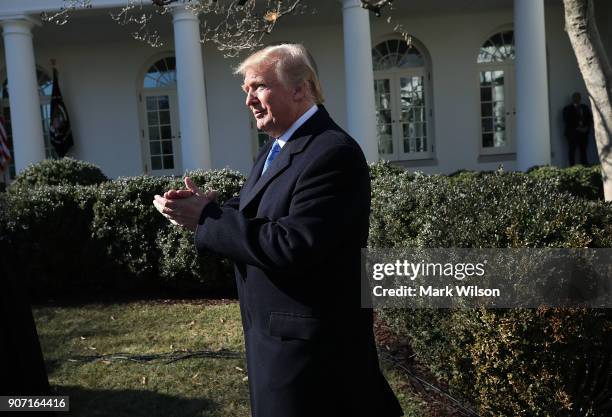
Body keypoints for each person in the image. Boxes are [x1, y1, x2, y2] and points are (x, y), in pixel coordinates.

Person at [153, 44, 403, 417]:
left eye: (259, 87)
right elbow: (258, 213)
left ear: (301, 89)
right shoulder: (278, 146)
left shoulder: (332, 153)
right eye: (246, 91)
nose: (250, 100)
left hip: (313, 358)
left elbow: (292, 244)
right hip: (277, 344)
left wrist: (207, 218)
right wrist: (204, 207)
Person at [563, 92, 593, 166]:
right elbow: (567, 120)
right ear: (572, 98)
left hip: (584, 133)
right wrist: (577, 128)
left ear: (580, 98)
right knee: (572, 150)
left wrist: (587, 127)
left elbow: (589, 118)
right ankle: (572, 166)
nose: (576, 99)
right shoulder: (567, 108)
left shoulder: (585, 107)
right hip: (572, 133)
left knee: (583, 150)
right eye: (575, 97)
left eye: (578, 97)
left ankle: (585, 165)